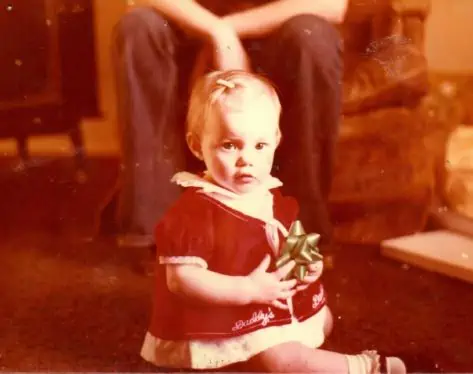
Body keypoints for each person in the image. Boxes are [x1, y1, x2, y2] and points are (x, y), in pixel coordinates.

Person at [140, 70, 406, 374]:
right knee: (278, 359)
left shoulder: (267, 192)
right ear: (197, 145)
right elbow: (182, 279)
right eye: (230, 145)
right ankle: (363, 367)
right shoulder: (194, 212)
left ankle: (295, 345)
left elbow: (291, 231)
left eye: (259, 146)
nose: (246, 160)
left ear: (276, 141)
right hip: (227, 311)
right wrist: (248, 289)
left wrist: (306, 262)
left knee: (325, 318)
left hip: (270, 295)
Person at [102, 0, 345, 249]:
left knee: (313, 36)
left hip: (275, 34)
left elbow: (332, 4)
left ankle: (299, 231)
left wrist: (230, 29)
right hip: (186, 32)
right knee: (138, 27)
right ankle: (157, 230)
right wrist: (215, 32)